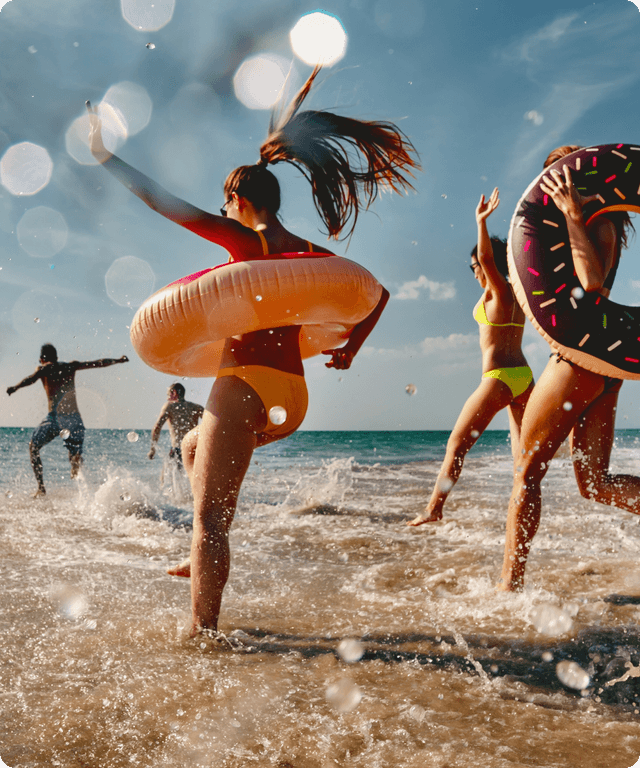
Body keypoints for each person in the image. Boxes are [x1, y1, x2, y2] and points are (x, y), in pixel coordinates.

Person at [87, 66, 419, 635]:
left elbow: (161, 201)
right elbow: (378, 294)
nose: (223, 214)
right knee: (192, 446)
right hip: (291, 395)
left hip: (243, 386)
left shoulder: (250, 241)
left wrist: (104, 156)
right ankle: (201, 558)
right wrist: (350, 351)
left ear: (237, 199)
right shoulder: (304, 249)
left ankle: (201, 633)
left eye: (225, 204)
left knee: (212, 522)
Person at [498, 145, 638, 591]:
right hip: (604, 367)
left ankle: (508, 588)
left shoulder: (596, 224)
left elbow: (592, 282)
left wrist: (572, 214)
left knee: (526, 474)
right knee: (595, 484)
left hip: (579, 362)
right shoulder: (593, 225)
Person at [408, 188, 534, 526]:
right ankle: (521, 515)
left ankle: (434, 510)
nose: (474, 271)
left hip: (500, 379)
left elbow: (489, 259)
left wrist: (481, 222)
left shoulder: (500, 291)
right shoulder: (516, 294)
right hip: (524, 378)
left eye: (473, 266)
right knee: (522, 463)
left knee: (455, 446)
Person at [6, 343, 129, 496]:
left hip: (54, 418)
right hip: (74, 419)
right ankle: (83, 492)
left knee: (33, 447)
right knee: (75, 456)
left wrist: (15, 387)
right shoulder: (70, 366)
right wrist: (118, 360)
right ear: (56, 357)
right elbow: (97, 363)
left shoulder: (43, 369)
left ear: (41, 359)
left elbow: (30, 379)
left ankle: (41, 488)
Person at [148, 383, 204, 470]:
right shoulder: (196, 407)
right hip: (195, 451)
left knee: (165, 480)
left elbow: (157, 427)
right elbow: (213, 423)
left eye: (168, 394)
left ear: (174, 393)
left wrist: (152, 448)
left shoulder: (169, 406)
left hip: (178, 450)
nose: (167, 397)